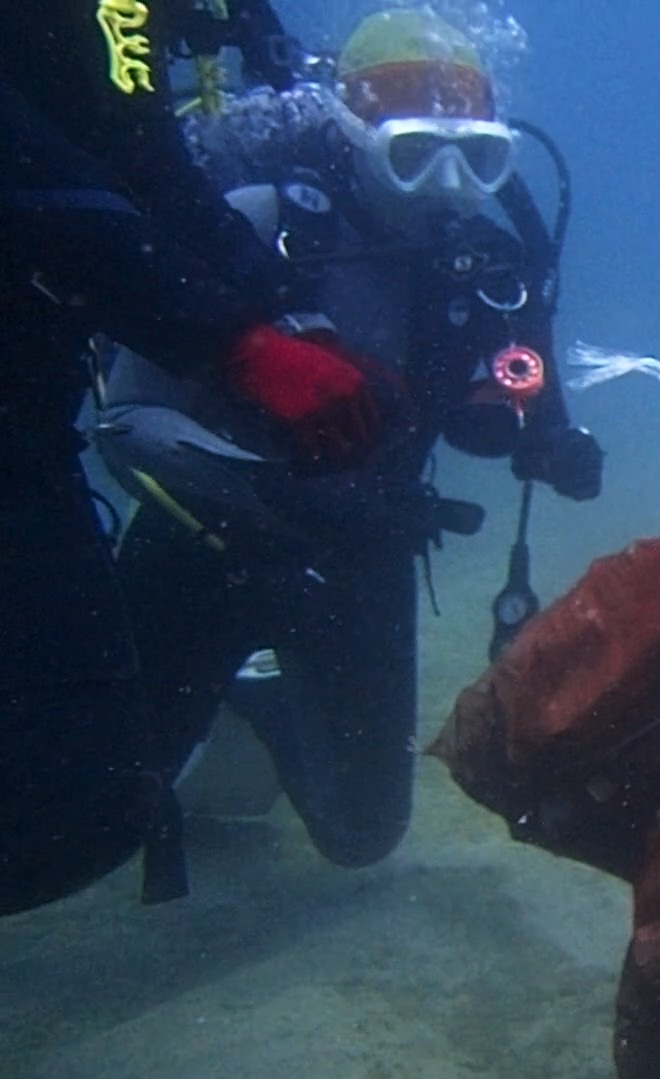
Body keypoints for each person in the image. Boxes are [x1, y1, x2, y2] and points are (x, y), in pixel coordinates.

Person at [92, 8, 604, 875]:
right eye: (414, 148)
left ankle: (260, 695)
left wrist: (546, 444)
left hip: (362, 559)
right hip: (200, 547)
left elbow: (494, 404)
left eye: (473, 156)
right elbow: (126, 420)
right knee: (94, 813)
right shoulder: (252, 225)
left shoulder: (489, 264)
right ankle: (227, 687)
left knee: (363, 835)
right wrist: (286, 501)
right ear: (349, 126)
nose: (446, 181)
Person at [1, 1, 382, 915]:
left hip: (24, 413)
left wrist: (285, 315)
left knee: (88, 791)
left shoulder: (111, 17)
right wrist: (236, 341)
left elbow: (143, 163)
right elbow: (39, 180)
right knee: (75, 803)